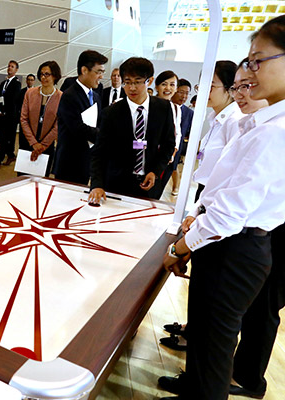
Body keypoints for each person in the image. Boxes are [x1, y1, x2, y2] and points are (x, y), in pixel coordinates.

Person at [158, 15, 285, 400]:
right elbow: (220, 190)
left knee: (214, 350)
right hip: (231, 244)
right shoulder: (261, 125)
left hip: (237, 247)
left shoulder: (273, 132)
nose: (250, 72)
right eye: (248, 62)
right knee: (206, 341)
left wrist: (179, 248)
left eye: (257, 61)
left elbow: (230, 213)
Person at [88, 57, 175, 203]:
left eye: (137, 82)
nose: (132, 88)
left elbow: (168, 145)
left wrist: (155, 171)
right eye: (127, 82)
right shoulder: (111, 113)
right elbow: (99, 152)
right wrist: (97, 185)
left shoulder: (163, 108)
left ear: (150, 80)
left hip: (149, 185)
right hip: (116, 183)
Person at [53, 50, 107, 185]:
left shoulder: (96, 96)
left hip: (87, 160)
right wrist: (106, 136)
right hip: (69, 161)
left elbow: (99, 122)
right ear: (84, 70)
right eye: (98, 72)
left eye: (102, 72)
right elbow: (77, 128)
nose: (101, 77)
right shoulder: (69, 95)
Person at [191, 61, 241, 201]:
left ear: (231, 89)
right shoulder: (215, 119)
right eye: (201, 86)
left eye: (211, 86)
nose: (204, 91)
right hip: (204, 190)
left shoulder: (235, 121)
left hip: (218, 196)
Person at [19, 61, 62, 177]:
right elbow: (23, 119)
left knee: (41, 182)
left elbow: (58, 125)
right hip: (28, 142)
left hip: (46, 146)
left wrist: (42, 145)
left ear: (55, 76)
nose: (43, 77)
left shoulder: (61, 97)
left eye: (47, 74)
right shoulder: (30, 93)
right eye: (41, 74)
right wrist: (34, 143)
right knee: (22, 180)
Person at [148, 70, 181, 199]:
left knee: (157, 194)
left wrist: (172, 153)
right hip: (149, 159)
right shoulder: (149, 104)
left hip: (167, 160)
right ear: (156, 86)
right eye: (164, 84)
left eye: (172, 85)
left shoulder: (176, 108)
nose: (168, 88)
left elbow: (177, 133)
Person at [0, 60, 21, 170]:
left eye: (12, 67)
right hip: (0, 115)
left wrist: (4, 112)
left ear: (16, 69)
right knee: (2, 137)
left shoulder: (16, 83)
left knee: (6, 138)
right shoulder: (3, 83)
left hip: (9, 116)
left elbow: (13, 101)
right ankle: (11, 155)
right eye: (8, 66)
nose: (9, 68)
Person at [169, 79, 193, 195]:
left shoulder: (189, 112)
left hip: (177, 145)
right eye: (181, 92)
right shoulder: (166, 106)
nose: (184, 96)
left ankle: (175, 187)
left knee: (174, 167)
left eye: (187, 93)